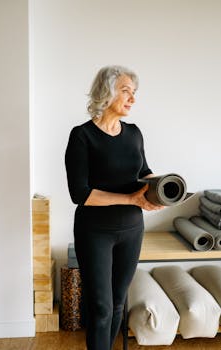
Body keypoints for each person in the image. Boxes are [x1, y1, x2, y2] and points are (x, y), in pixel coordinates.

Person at [65, 65, 163, 350]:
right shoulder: (82, 136)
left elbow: (143, 172)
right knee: (101, 308)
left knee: (118, 304)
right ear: (106, 93)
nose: (132, 98)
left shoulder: (134, 133)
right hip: (95, 231)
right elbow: (80, 194)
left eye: (134, 93)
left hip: (132, 230)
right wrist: (132, 199)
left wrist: (162, 188)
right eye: (125, 91)